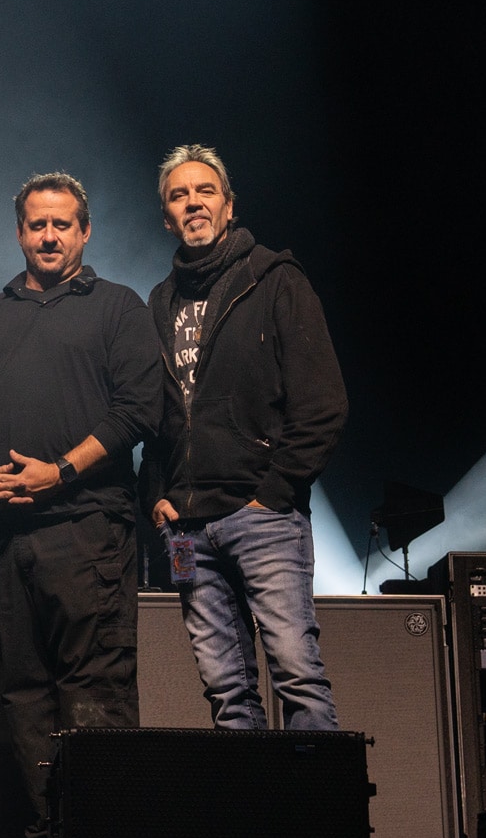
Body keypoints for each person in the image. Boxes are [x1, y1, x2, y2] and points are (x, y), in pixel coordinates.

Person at [0, 173, 162, 838]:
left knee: (94, 689)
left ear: (85, 232)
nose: (49, 236)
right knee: (24, 691)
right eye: (36, 225)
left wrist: (61, 471)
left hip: (88, 529)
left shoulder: (117, 307)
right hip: (2, 536)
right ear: (19, 231)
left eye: (63, 225)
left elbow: (140, 409)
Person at [140, 144, 348, 731]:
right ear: (166, 218)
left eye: (204, 191)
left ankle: (319, 820)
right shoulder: (159, 302)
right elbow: (153, 414)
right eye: (178, 196)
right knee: (226, 692)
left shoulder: (275, 280)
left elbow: (324, 404)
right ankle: (255, 820)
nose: (193, 203)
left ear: (229, 205)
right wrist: (155, 492)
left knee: (297, 677)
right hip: (184, 530)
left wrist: (275, 492)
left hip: (262, 517)